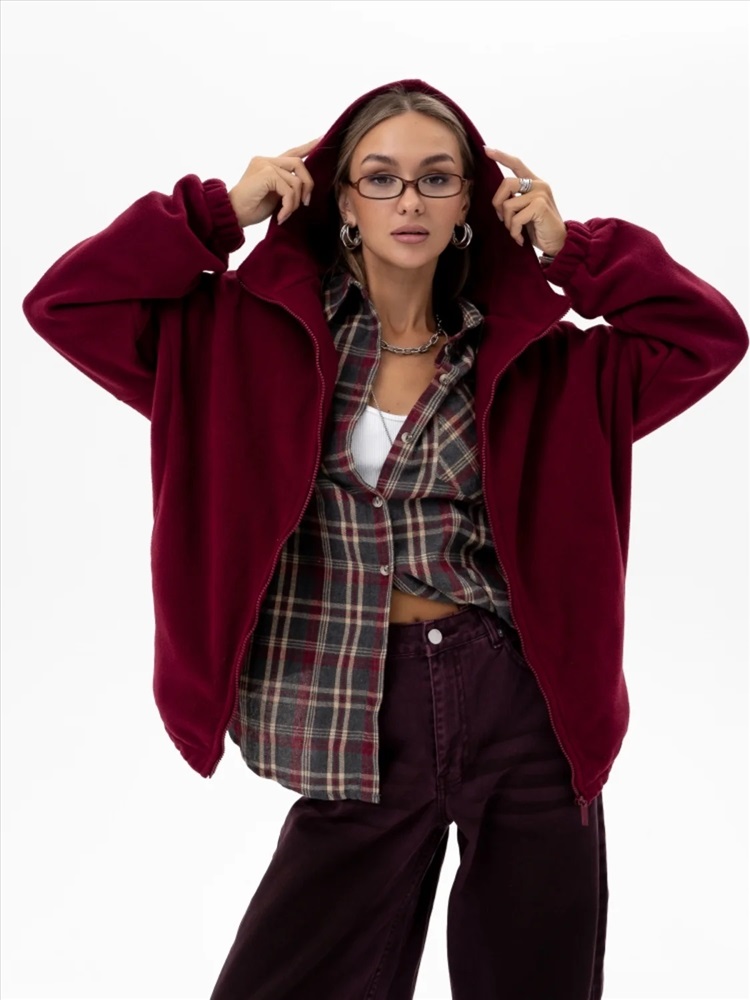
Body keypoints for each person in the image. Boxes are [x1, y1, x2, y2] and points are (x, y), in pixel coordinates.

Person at [22, 79, 747, 1000]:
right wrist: (216, 214)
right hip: (352, 703)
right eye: (382, 177)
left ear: (472, 204)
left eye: (437, 178)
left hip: (519, 701)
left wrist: (574, 252)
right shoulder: (243, 341)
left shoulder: (544, 359)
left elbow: (707, 337)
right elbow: (66, 304)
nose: (410, 200)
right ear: (343, 200)